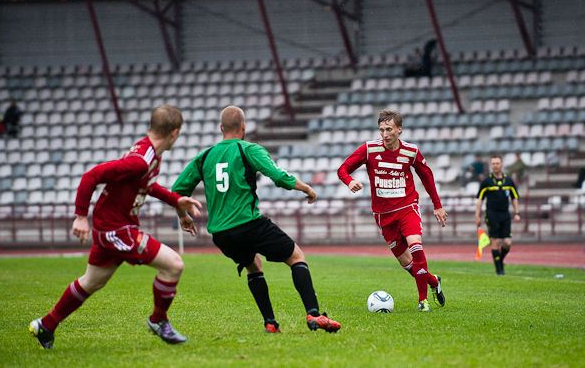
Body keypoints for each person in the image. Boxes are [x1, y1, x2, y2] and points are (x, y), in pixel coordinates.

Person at [28, 105, 202, 349]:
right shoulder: (141, 160)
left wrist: (176, 201)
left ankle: (46, 325)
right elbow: (92, 175)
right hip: (116, 229)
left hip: (114, 225)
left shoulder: (148, 152)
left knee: (91, 282)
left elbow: (146, 185)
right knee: (174, 266)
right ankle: (158, 320)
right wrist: (80, 216)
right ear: (174, 132)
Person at [171, 106, 341, 334]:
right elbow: (279, 176)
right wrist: (307, 188)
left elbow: (176, 191)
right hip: (248, 224)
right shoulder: (249, 149)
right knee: (296, 256)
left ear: (221, 128)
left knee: (254, 265)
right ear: (243, 126)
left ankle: (270, 323)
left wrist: (184, 216)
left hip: (221, 234)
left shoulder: (204, 157)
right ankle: (314, 313)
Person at [338, 109, 447, 312]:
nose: (385, 134)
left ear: (399, 129)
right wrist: (350, 180)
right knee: (406, 264)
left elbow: (426, 175)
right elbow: (342, 169)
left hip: (407, 207)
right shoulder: (369, 149)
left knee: (415, 247)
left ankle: (422, 301)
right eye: (381, 130)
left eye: (389, 129)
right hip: (383, 214)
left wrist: (437, 204)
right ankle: (433, 282)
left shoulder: (411, 151)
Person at [475, 155, 520, 276]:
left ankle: (499, 261)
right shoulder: (486, 181)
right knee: (495, 241)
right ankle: (499, 270)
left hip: (505, 214)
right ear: (491, 165)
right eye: (493, 163)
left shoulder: (509, 181)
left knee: (507, 243)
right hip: (491, 214)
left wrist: (517, 213)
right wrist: (477, 216)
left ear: (502, 164)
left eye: (497, 163)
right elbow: (480, 199)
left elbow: (514, 197)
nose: (495, 165)